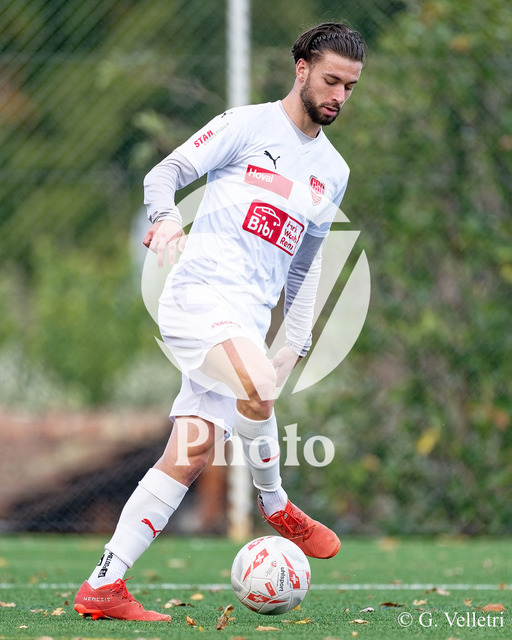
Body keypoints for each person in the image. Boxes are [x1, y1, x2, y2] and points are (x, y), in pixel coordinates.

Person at [74, 21, 366, 622]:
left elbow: (306, 264)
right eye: (331, 80)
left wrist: (296, 341)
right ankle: (276, 505)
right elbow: (163, 175)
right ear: (302, 69)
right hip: (197, 298)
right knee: (256, 387)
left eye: (350, 87)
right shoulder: (245, 125)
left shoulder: (332, 171)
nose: (339, 96)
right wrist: (165, 218)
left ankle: (105, 582)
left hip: (246, 324)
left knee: (189, 452)